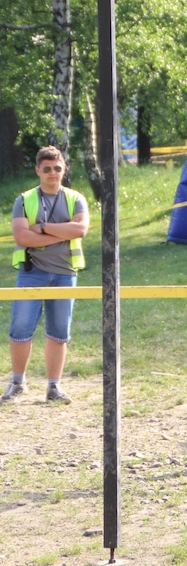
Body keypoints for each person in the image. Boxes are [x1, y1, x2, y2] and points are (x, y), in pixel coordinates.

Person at [1, 146, 89, 405]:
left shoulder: (76, 198)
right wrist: (61, 234)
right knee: (20, 328)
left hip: (65, 273)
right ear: (38, 170)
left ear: (64, 169)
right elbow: (21, 236)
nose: (53, 173)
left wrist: (41, 228)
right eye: (47, 169)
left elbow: (80, 230)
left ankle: (54, 386)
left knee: (59, 331)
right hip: (31, 272)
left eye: (57, 168)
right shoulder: (24, 199)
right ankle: (18, 382)